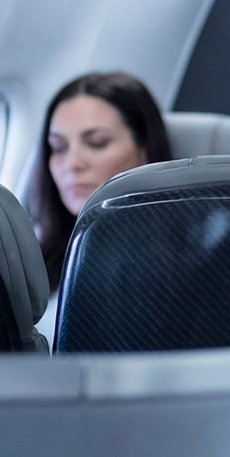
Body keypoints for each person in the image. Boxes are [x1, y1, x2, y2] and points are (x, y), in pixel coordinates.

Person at [24, 72, 175, 332]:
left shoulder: (189, 256)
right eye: (58, 148)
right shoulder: (32, 260)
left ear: (144, 149)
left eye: (97, 143)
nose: (73, 164)